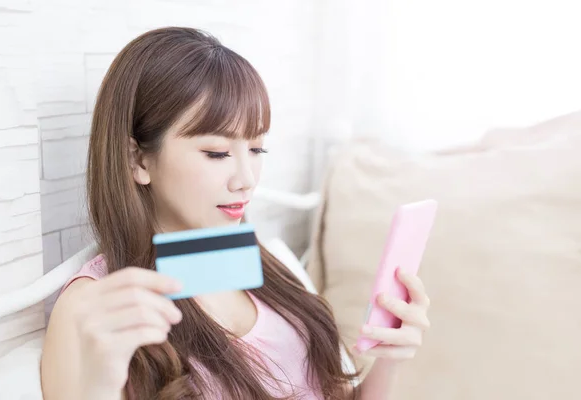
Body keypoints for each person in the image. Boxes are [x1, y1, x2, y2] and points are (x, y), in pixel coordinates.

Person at [40, 27, 431, 400]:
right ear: (137, 158)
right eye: (217, 153)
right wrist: (100, 383)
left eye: (257, 150)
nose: (246, 179)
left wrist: (388, 359)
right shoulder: (92, 305)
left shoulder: (256, 261)